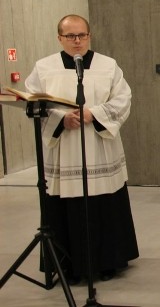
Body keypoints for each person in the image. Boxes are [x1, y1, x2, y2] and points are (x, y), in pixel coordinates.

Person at [25, 14, 138, 283]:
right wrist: (60, 119)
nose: (77, 41)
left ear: (89, 35)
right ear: (59, 38)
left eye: (82, 35)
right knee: (68, 203)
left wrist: (95, 114)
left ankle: (107, 262)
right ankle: (67, 264)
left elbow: (123, 98)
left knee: (102, 202)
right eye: (70, 36)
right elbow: (32, 101)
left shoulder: (108, 65)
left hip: (99, 146)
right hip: (64, 149)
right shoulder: (43, 68)